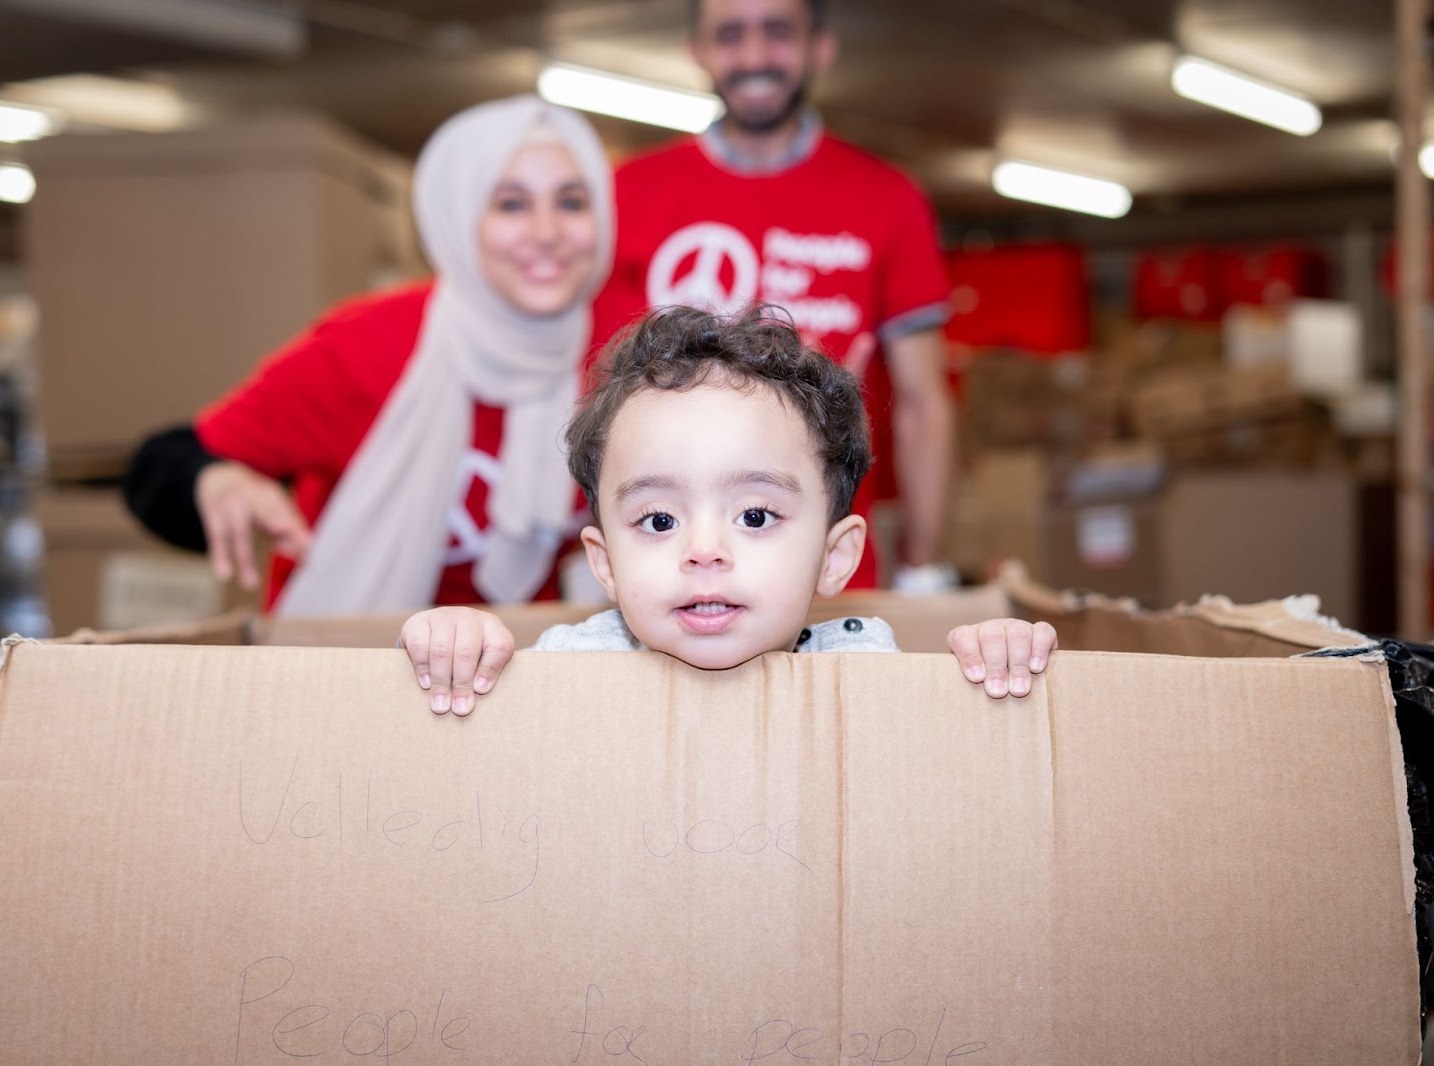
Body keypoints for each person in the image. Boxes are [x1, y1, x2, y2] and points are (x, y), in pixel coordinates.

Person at [398, 305, 1054, 716]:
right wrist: (462, 642)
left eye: (755, 516)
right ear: (604, 564)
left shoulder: (864, 673)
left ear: (835, 558)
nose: (703, 549)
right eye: (659, 521)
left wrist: (990, 665)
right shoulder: (569, 669)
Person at [123, 94, 613, 614]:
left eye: (572, 202)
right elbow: (161, 465)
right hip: (350, 659)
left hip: (529, 665)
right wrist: (215, 480)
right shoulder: (367, 344)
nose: (547, 233)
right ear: (457, 216)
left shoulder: (623, 350)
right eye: (511, 204)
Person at [592, 0, 957, 595]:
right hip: (664, 580)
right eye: (731, 35)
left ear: (820, 47)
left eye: (778, 33)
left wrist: (924, 566)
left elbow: (923, 404)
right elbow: (598, 397)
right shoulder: (625, 196)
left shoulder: (887, 199)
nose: (755, 56)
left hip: (832, 580)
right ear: (698, 51)